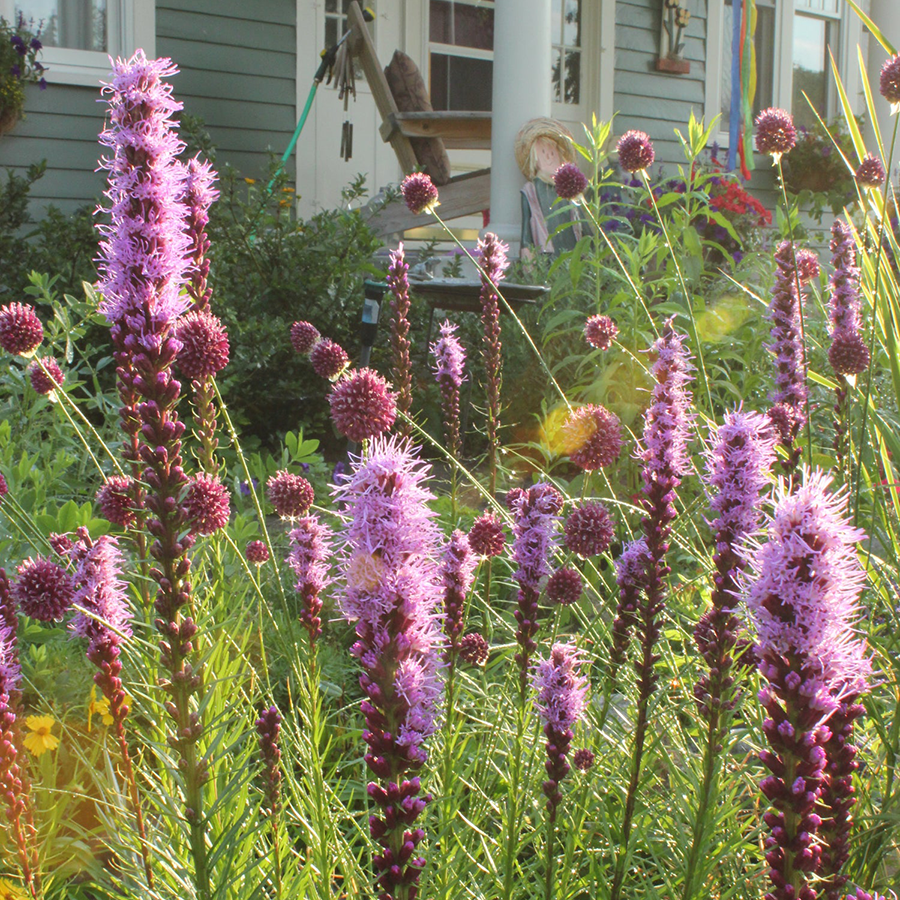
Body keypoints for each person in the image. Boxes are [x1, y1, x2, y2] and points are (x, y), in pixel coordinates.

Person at [514, 117, 584, 257]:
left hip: (573, 253)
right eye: (543, 153)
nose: (549, 158)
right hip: (547, 256)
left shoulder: (569, 190)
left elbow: (583, 223)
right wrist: (526, 252)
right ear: (534, 158)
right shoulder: (531, 191)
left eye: (553, 153)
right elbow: (526, 231)